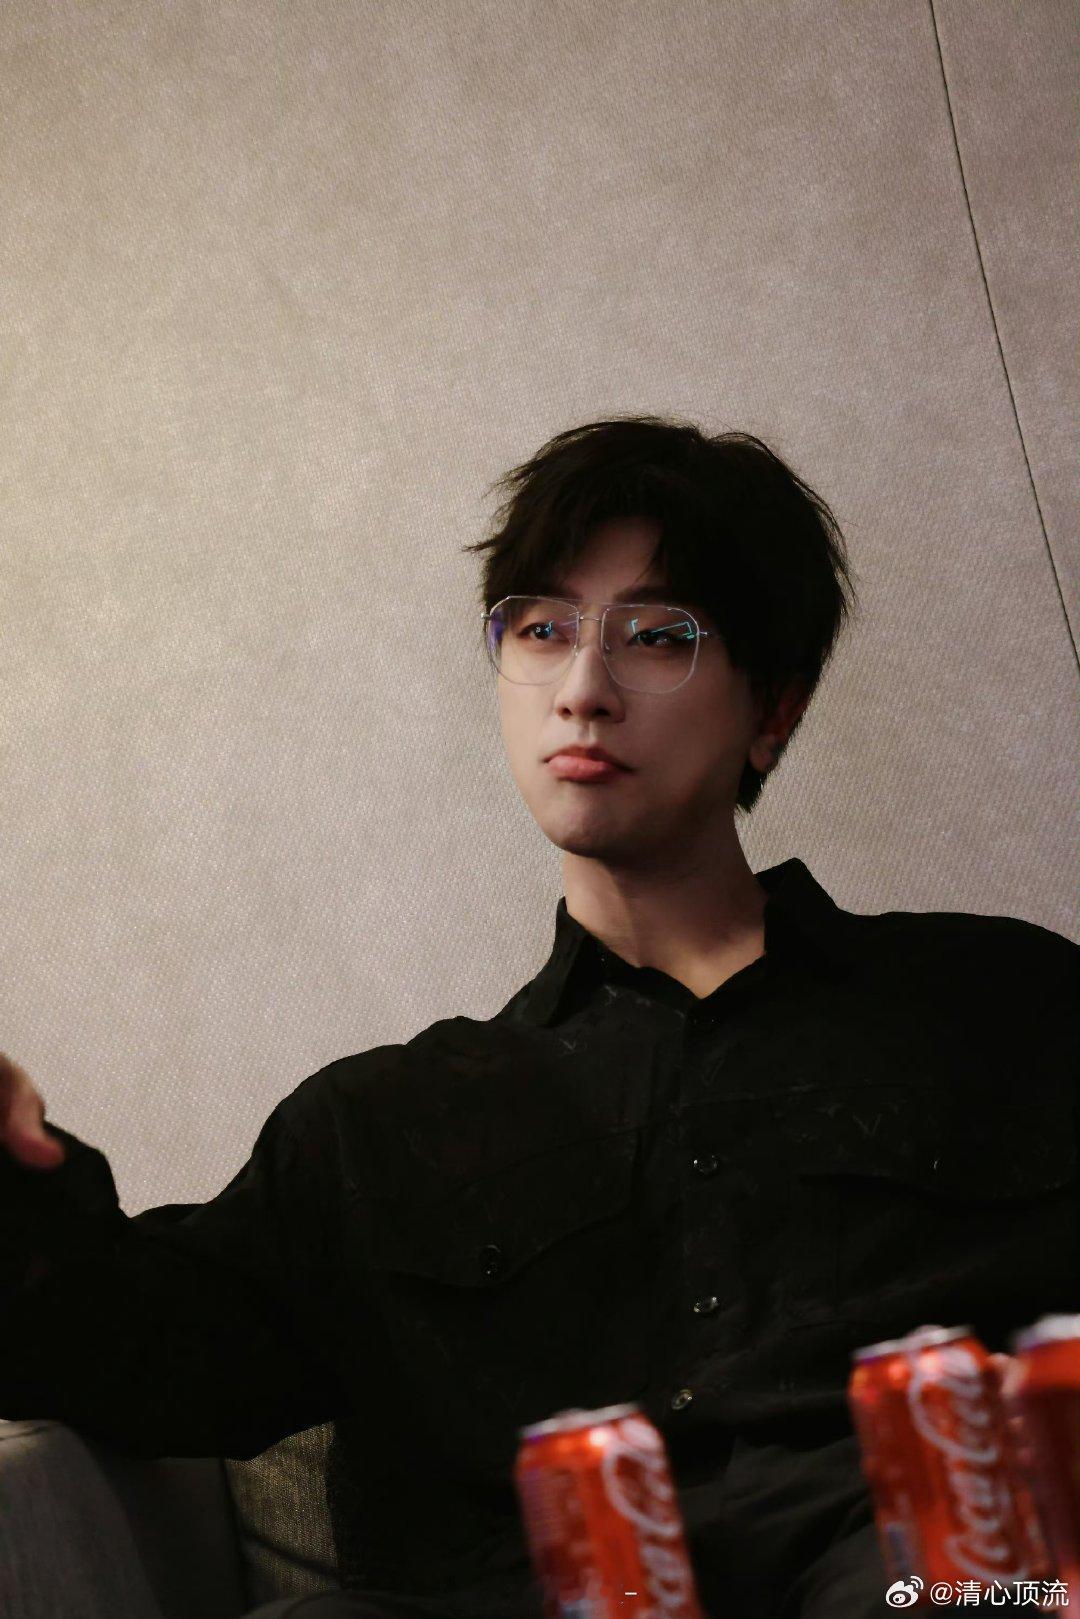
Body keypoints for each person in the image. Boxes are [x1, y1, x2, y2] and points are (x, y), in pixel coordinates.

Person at [1, 415, 1077, 1619]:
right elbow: (130, 1349)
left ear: (773, 708)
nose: (583, 690)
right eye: (542, 629)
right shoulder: (379, 1126)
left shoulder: (1006, 1006)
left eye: (658, 636)